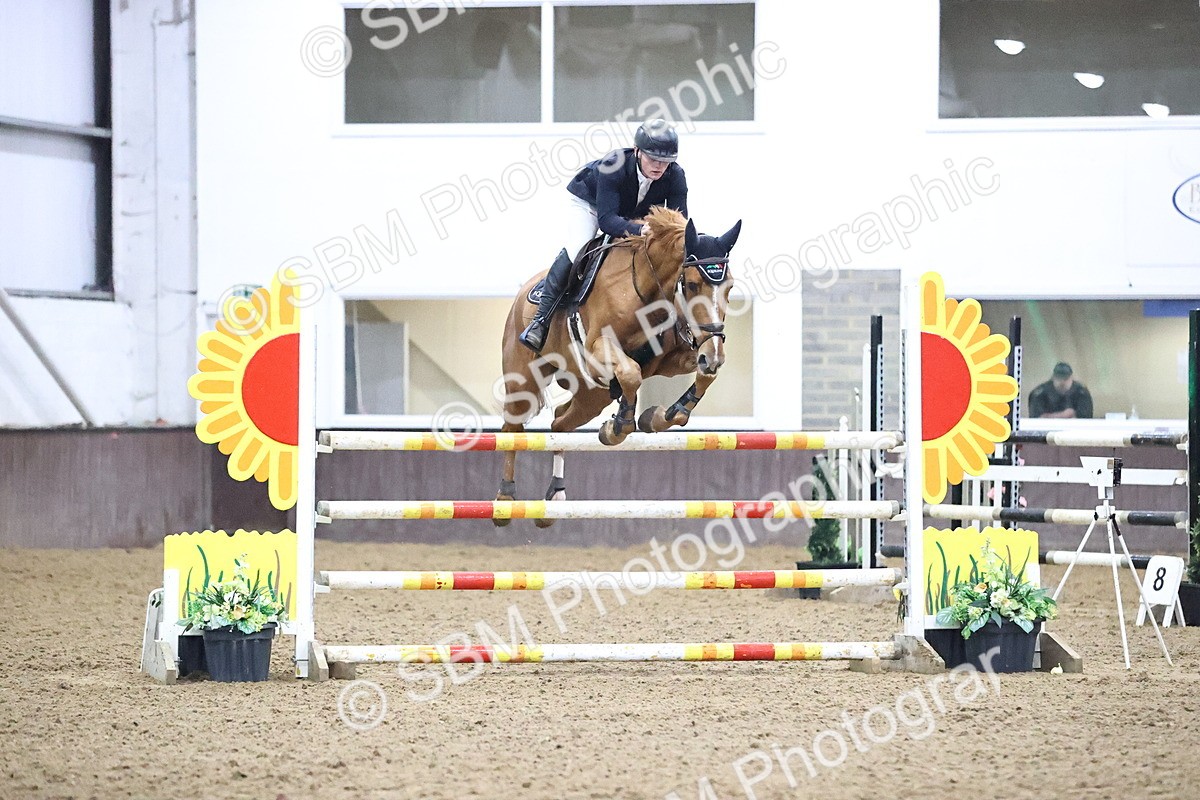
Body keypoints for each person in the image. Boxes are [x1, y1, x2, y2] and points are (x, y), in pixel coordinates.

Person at [519, 118, 688, 352]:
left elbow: (679, 223)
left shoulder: (676, 175)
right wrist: (641, 230)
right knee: (579, 246)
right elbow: (607, 221)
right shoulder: (614, 165)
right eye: (653, 158)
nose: (659, 166)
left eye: (665, 161)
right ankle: (540, 320)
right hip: (592, 205)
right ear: (637, 151)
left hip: (634, 212)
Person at [1028, 362, 1094, 419]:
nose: (1062, 382)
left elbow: (1085, 419)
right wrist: (1065, 415)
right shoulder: (1040, 394)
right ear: (1053, 377)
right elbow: (1036, 420)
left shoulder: (1081, 393)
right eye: (1059, 378)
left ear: (1071, 377)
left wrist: (1049, 416)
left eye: (1065, 379)